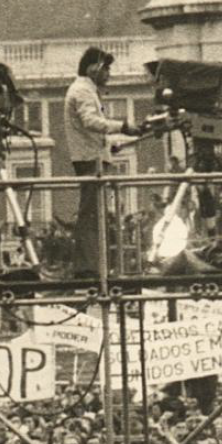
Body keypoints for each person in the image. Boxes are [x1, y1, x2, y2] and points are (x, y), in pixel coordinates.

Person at [65, 47, 141, 280]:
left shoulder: (86, 90)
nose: (108, 73)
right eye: (105, 68)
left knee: (94, 213)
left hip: (93, 155)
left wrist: (115, 141)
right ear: (92, 68)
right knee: (91, 214)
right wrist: (122, 126)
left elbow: (92, 130)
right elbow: (90, 121)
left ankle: (92, 265)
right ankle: (87, 268)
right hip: (91, 160)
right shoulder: (83, 91)